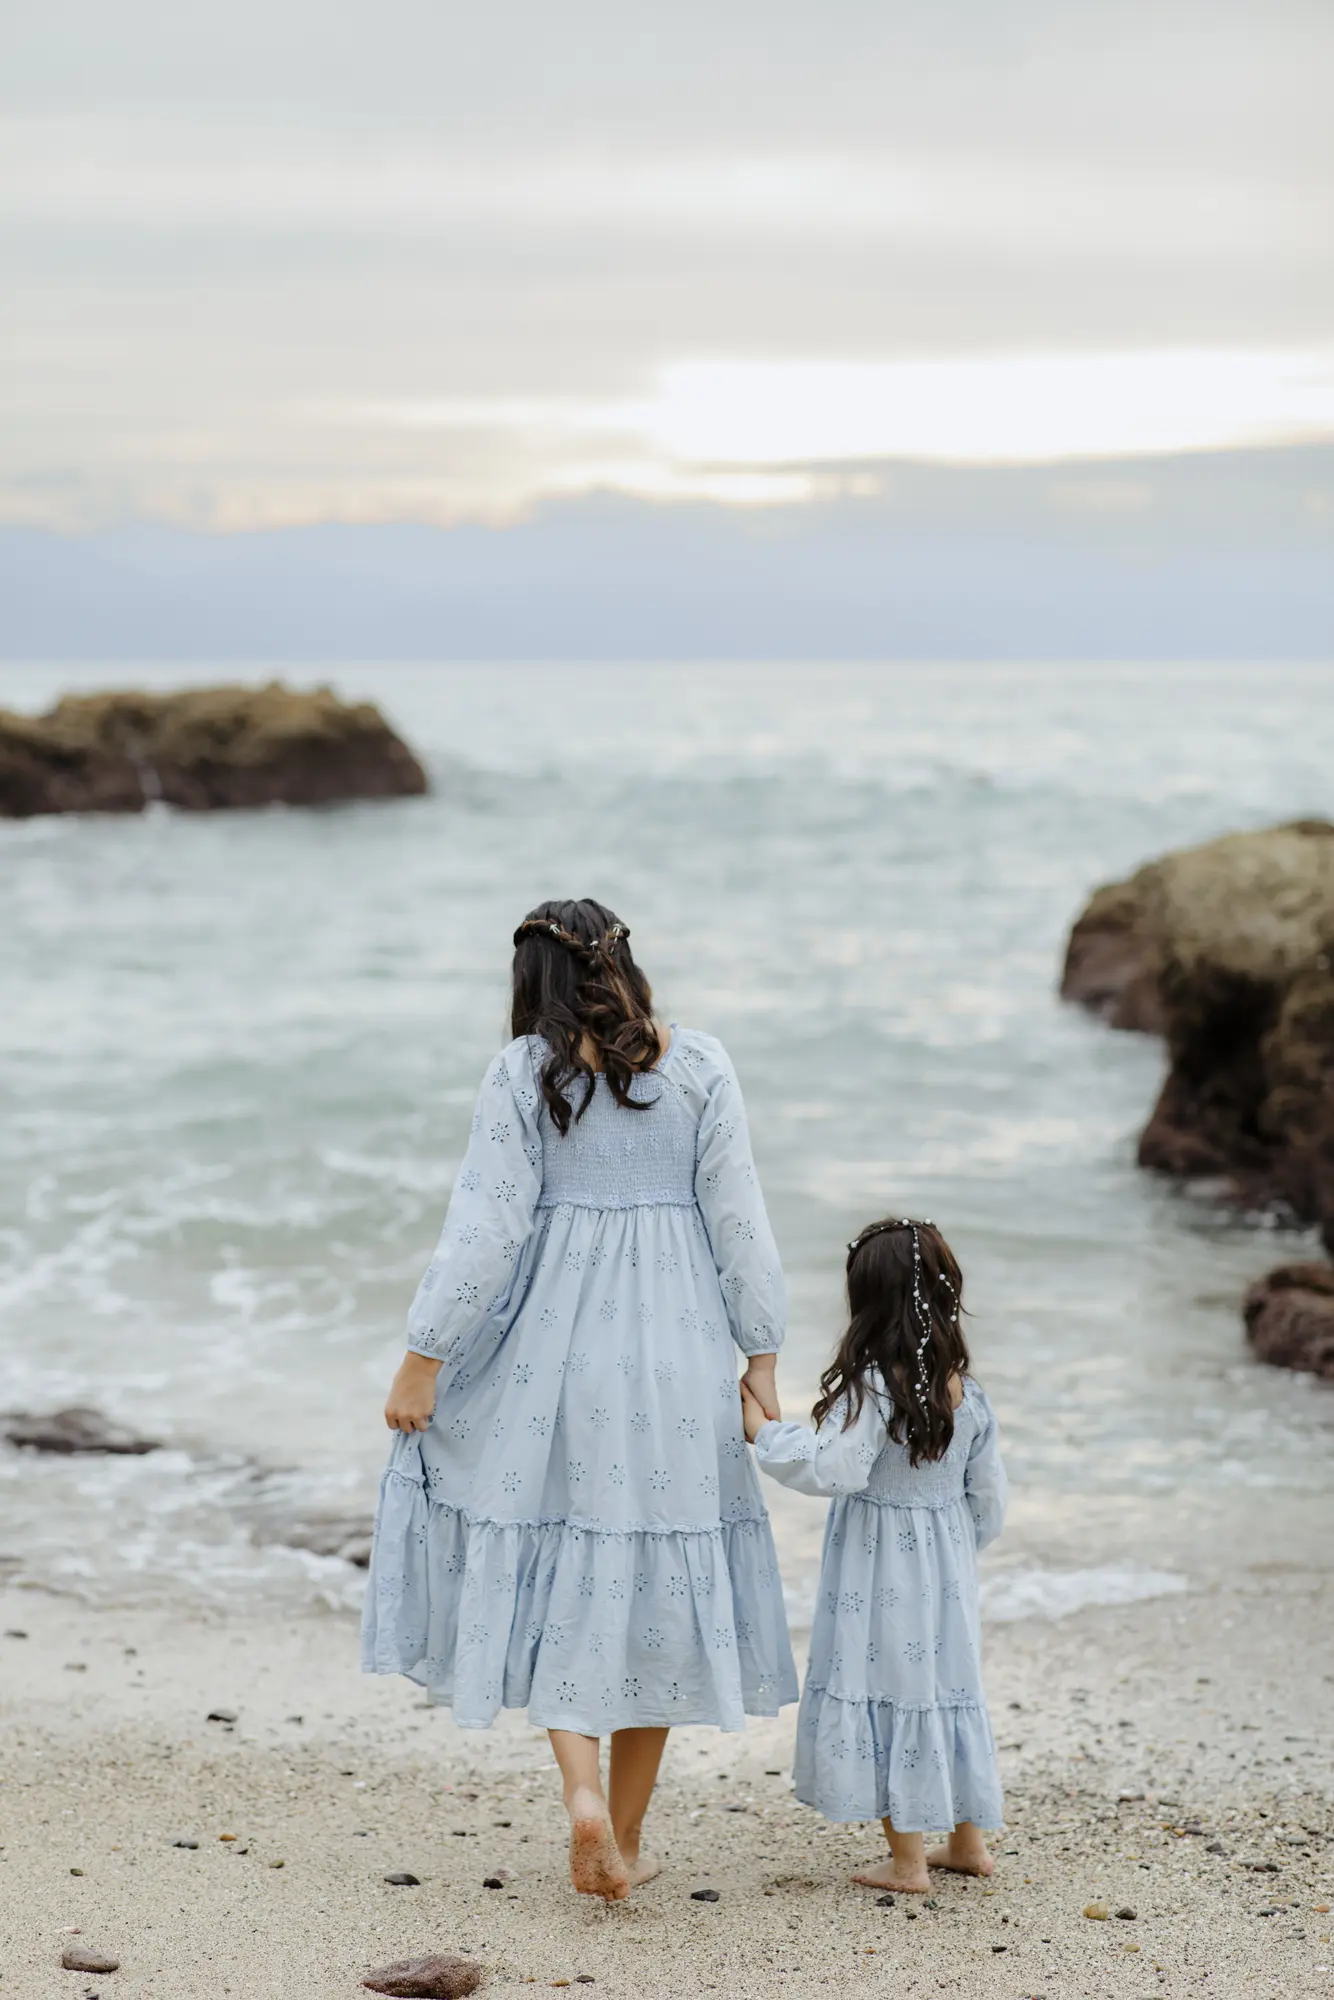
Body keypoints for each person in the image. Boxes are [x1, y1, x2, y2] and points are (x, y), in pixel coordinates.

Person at [362, 898, 797, 1900]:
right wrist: (761, 1356)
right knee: (656, 1581)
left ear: (532, 984)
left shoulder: (523, 1073)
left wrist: (424, 1354)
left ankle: (581, 1799)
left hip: (553, 1353)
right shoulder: (700, 1066)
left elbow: (486, 1227)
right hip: (678, 1350)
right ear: (624, 964)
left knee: (563, 1559)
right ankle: (629, 1839)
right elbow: (741, 1221)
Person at [742, 1216, 1006, 1892]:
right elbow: (990, 1503)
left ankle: (908, 1861)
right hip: (944, 1567)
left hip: (877, 1563)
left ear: (867, 1300)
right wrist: (952, 1553)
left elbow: (836, 1472)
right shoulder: (967, 1393)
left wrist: (767, 1434)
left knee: (889, 1690)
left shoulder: (871, 1388)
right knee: (945, 1690)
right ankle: (968, 1844)